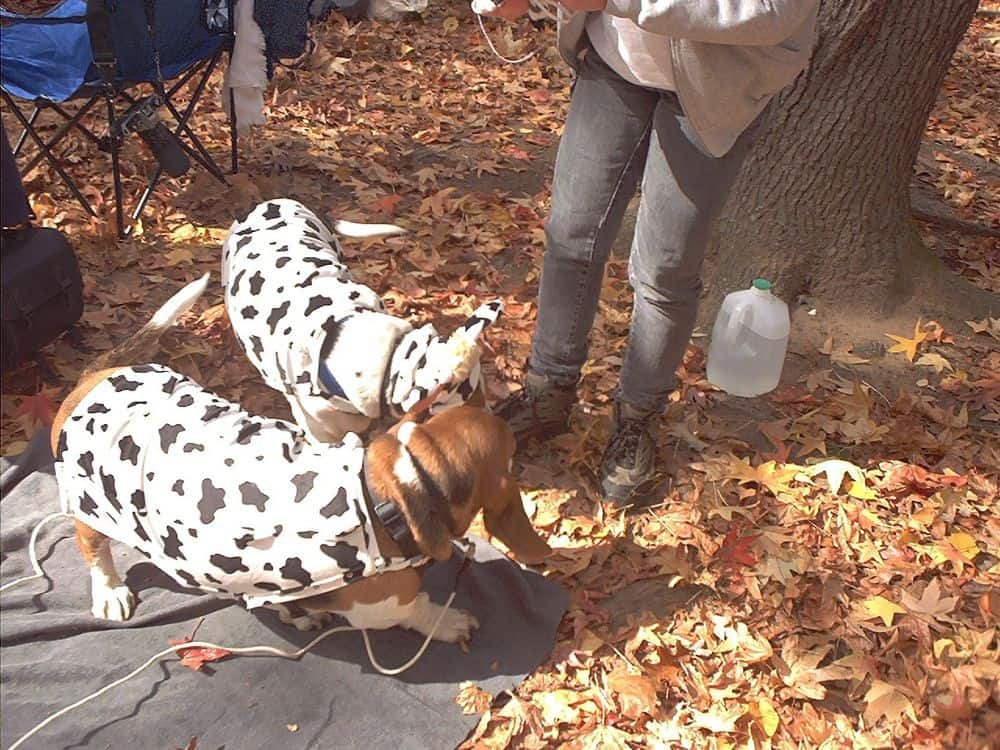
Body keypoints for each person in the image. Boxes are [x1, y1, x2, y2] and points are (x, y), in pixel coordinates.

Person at [484, 0, 820, 504]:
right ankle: (548, 392)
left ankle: (638, 418)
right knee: (571, 238)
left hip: (713, 92)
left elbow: (772, 11)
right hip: (612, 65)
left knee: (665, 267)